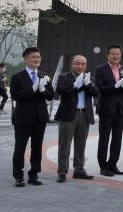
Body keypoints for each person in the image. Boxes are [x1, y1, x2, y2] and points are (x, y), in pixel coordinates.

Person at [10, 47, 55, 186]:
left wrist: (43, 90)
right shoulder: (17, 77)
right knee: (20, 148)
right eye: (33, 57)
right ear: (25, 58)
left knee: (37, 148)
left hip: (40, 118)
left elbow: (51, 95)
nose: (36, 59)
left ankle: (34, 174)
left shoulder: (44, 76)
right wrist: (32, 89)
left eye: (38, 57)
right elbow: (15, 95)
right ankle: (18, 176)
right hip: (23, 118)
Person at [55, 54, 96, 182]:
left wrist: (88, 85)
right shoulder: (64, 77)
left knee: (81, 144)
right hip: (68, 115)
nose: (80, 66)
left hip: (84, 115)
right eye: (77, 63)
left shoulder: (89, 77)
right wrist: (74, 86)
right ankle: (62, 171)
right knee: (64, 144)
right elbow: (60, 90)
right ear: (72, 64)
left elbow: (97, 92)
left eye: (83, 64)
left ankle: (79, 169)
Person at [94, 44, 123, 177]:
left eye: (118, 54)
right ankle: (103, 167)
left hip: (120, 108)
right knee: (104, 138)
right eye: (113, 54)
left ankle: (113, 164)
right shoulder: (101, 69)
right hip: (106, 108)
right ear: (107, 55)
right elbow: (99, 88)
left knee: (117, 138)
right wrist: (115, 86)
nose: (116, 56)